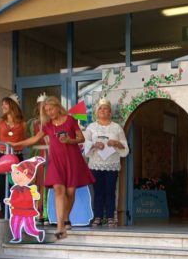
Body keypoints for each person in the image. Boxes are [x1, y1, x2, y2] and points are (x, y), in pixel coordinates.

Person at [14, 96, 94, 239]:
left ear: (57, 107)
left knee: (70, 192)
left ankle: (66, 217)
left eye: (51, 109)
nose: (49, 112)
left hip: (72, 160)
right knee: (59, 190)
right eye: (46, 110)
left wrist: (69, 140)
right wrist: (17, 144)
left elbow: (81, 138)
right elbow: (35, 138)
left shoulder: (70, 120)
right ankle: (60, 227)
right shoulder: (47, 125)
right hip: (56, 162)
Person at [83, 99, 128, 227]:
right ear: (97, 112)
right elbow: (85, 144)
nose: (102, 110)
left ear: (110, 112)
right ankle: (97, 216)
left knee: (110, 190)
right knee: (98, 191)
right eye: (100, 108)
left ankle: (110, 217)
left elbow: (125, 146)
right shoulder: (91, 127)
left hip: (111, 164)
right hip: (96, 164)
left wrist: (116, 143)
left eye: (105, 108)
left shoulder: (116, 127)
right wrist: (95, 144)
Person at [0, 94, 26, 160]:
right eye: (2, 104)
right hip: (3, 156)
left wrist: (17, 147)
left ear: (13, 105)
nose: (2, 107)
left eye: (6, 104)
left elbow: (25, 140)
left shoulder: (23, 124)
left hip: (17, 156)